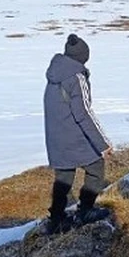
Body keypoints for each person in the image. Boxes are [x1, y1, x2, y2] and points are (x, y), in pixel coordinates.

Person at [43, 33, 113, 234]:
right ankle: (86, 210)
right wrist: (103, 144)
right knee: (96, 168)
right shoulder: (76, 76)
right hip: (73, 136)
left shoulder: (54, 74)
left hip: (56, 136)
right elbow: (84, 113)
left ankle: (56, 220)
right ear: (83, 57)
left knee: (64, 176)